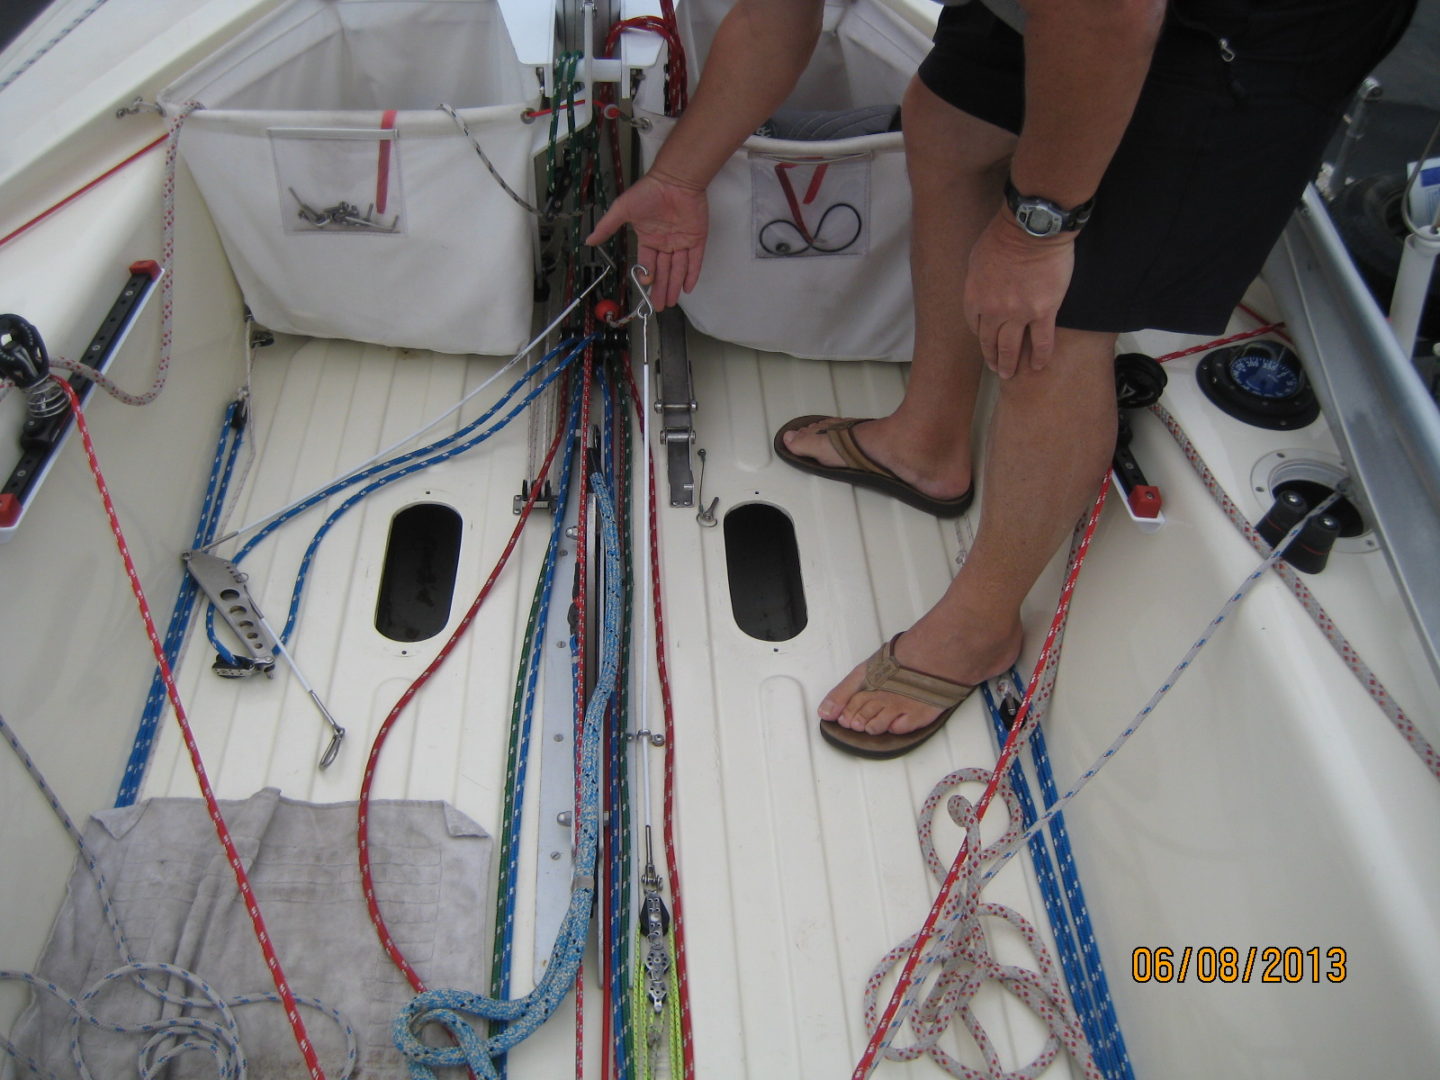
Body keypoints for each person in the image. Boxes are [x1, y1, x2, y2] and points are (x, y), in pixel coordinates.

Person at [587, 0, 1417, 757]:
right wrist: (677, 178)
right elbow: (779, 16)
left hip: (1251, 25)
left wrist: (1034, 233)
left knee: (1070, 301)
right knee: (947, 126)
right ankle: (929, 443)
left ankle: (982, 626)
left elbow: (1109, 16)